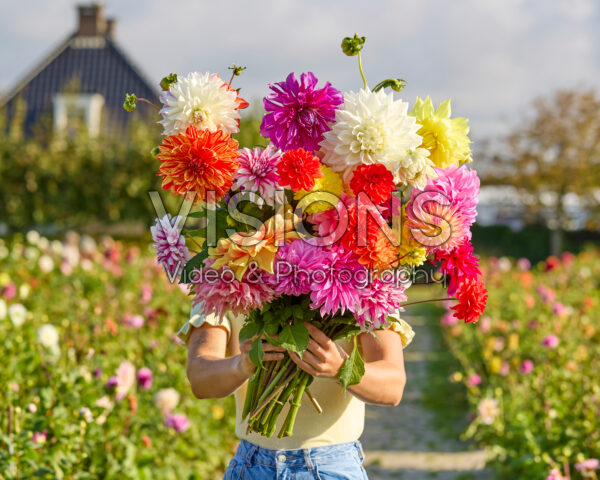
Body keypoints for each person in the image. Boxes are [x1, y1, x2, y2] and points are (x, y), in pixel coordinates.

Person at [179, 303, 414, 480]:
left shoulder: (362, 275)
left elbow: (392, 386)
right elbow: (200, 377)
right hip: (252, 467)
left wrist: (341, 368)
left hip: (330, 467)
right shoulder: (225, 269)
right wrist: (241, 365)